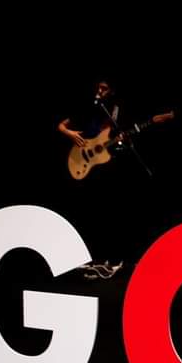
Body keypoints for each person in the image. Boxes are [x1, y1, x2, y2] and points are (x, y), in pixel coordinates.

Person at [57, 79, 132, 279]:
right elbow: (61, 125)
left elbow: (120, 139)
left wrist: (123, 142)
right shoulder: (90, 106)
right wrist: (71, 133)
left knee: (108, 212)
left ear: (112, 90)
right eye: (98, 87)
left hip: (105, 165)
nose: (99, 91)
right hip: (84, 160)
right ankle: (83, 257)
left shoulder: (116, 110)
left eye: (104, 88)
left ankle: (111, 260)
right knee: (85, 211)